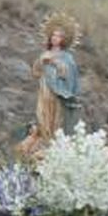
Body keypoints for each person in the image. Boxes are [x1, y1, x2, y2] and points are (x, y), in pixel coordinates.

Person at [20, 14, 82, 155]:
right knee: (42, 117)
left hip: (57, 95)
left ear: (64, 39)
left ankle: (51, 144)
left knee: (55, 120)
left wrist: (56, 64)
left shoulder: (67, 58)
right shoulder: (45, 53)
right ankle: (42, 141)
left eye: (58, 36)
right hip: (44, 92)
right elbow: (35, 72)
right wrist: (42, 62)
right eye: (53, 35)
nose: (55, 38)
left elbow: (69, 75)